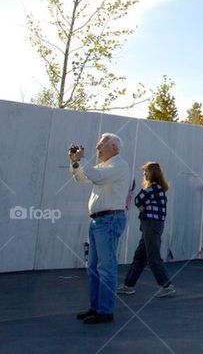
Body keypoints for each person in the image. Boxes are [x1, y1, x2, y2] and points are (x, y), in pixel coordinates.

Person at [71, 133, 130, 324]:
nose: (97, 148)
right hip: (99, 221)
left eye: (101, 145)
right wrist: (75, 163)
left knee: (105, 267)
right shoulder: (104, 166)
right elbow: (82, 179)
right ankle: (96, 307)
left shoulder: (118, 165)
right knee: (94, 268)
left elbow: (96, 178)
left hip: (109, 220)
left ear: (114, 148)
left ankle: (105, 311)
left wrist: (83, 160)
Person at [118, 162, 175, 298]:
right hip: (152, 225)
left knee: (152, 256)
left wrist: (142, 206)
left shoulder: (153, 188)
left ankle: (166, 286)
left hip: (150, 224)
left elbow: (138, 199)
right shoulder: (159, 188)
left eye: (146, 172)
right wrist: (142, 206)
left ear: (153, 173)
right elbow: (140, 202)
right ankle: (129, 285)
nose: (144, 174)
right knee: (140, 256)